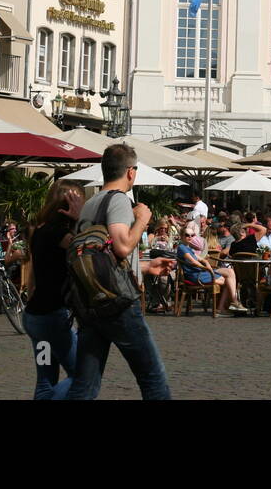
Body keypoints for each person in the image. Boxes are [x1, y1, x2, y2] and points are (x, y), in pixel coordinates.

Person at [67, 143, 171, 400]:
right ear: (131, 172)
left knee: (85, 384)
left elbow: (103, 255)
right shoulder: (119, 200)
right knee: (152, 377)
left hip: (92, 302)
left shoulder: (91, 205)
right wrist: (143, 220)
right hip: (119, 304)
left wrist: (145, 267)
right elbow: (123, 246)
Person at [23, 182, 84, 399]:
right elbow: (87, 255)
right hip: (52, 319)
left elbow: (34, 275)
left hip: (35, 318)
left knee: (45, 381)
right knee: (82, 376)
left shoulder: (39, 230)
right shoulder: (62, 235)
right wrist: (80, 219)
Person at [177, 223, 246, 313]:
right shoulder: (182, 247)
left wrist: (208, 266)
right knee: (228, 281)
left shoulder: (189, 248)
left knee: (230, 272)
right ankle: (228, 304)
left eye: (192, 235)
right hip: (195, 275)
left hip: (202, 272)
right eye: (187, 235)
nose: (190, 237)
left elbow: (203, 260)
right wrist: (208, 269)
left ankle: (232, 303)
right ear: (181, 236)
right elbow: (194, 262)